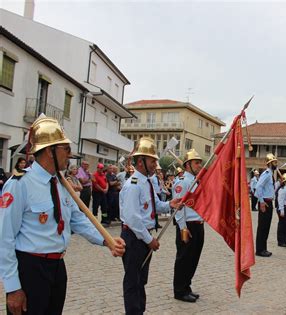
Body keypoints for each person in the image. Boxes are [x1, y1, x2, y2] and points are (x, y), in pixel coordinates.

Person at [0, 116, 125, 315]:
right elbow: (4, 238)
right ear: (50, 151)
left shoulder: (61, 183)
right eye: (65, 149)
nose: (70, 154)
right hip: (31, 269)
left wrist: (107, 240)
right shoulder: (19, 184)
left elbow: (78, 219)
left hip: (57, 267)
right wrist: (13, 287)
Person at [120, 137, 181, 314]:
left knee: (141, 280)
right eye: (152, 160)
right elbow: (133, 219)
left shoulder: (146, 182)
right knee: (133, 281)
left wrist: (170, 204)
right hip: (134, 238)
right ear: (140, 162)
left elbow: (155, 206)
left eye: (155, 160)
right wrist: (149, 240)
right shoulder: (133, 185)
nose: (156, 164)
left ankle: (140, 311)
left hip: (142, 238)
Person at [173, 149, 205, 302]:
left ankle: (187, 286)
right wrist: (182, 227)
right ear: (187, 165)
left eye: (200, 162)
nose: (199, 165)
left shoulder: (196, 181)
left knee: (193, 259)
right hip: (188, 226)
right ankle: (179, 290)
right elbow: (179, 207)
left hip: (198, 225)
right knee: (184, 259)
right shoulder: (183, 182)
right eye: (196, 162)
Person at [255, 153, 278, 257]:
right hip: (265, 202)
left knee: (266, 226)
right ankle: (260, 250)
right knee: (263, 227)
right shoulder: (267, 173)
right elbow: (258, 187)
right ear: (270, 163)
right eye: (274, 162)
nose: (276, 164)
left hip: (269, 201)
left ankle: (264, 248)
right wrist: (262, 202)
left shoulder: (271, 174)